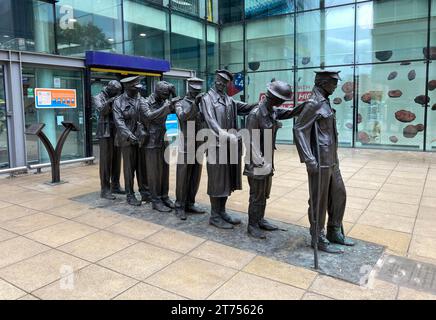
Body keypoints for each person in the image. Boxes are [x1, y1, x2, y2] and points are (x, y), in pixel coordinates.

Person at [294, 70, 355, 254]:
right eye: (333, 83)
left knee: (339, 194)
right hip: (320, 159)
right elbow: (299, 130)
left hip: (332, 159)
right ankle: (317, 236)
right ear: (322, 83)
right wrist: (309, 158)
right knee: (318, 200)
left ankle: (334, 230)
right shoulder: (314, 103)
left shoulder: (324, 101)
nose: (335, 87)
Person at [199, 69, 256, 229]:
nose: (221, 83)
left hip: (230, 146)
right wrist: (225, 135)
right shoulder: (207, 98)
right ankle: (214, 216)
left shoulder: (229, 100)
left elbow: (245, 107)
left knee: (226, 181)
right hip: (215, 146)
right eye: (218, 80)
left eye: (224, 82)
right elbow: (210, 120)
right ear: (214, 79)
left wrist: (263, 103)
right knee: (217, 181)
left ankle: (222, 211)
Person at [244, 81, 301, 239]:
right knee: (256, 194)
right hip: (256, 162)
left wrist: (307, 106)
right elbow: (249, 141)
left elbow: (290, 112)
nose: (282, 103)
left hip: (268, 160)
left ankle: (260, 219)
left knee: (264, 194)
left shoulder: (273, 111)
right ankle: (252, 225)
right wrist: (260, 162)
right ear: (273, 98)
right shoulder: (255, 114)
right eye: (281, 100)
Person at [174, 77, 206, 220]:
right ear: (189, 89)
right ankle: (179, 206)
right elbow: (182, 117)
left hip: (199, 144)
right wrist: (195, 104)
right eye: (193, 91)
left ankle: (190, 203)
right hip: (186, 145)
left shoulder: (202, 103)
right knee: (183, 176)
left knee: (195, 176)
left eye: (197, 92)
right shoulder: (180, 103)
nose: (195, 93)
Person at [142, 81, 177, 212]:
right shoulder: (144, 102)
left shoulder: (164, 101)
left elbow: (175, 110)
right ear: (157, 92)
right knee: (154, 173)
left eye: (167, 95)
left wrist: (173, 95)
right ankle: (155, 200)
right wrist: (166, 106)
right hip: (151, 141)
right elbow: (149, 116)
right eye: (164, 94)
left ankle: (164, 196)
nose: (166, 97)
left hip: (164, 140)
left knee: (164, 171)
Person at [113, 76, 144, 206]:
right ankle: (130, 194)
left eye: (138, 87)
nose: (137, 89)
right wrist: (130, 135)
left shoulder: (141, 99)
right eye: (134, 87)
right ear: (126, 87)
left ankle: (145, 191)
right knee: (129, 168)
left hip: (141, 139)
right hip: (126, 140)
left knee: (142, 167)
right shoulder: (118, 102)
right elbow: (119, 122)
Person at [93, 80, 123, 200]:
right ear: (109, 89)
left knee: (117, 159)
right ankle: (104, 189)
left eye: (118, 92)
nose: (117, 94)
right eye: (115, 92)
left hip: (116, 131)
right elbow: (101, 111)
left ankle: (115, 185)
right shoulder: (97, 97)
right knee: (106, 161)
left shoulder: (116, 97)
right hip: (105, 132)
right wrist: (111, 101)